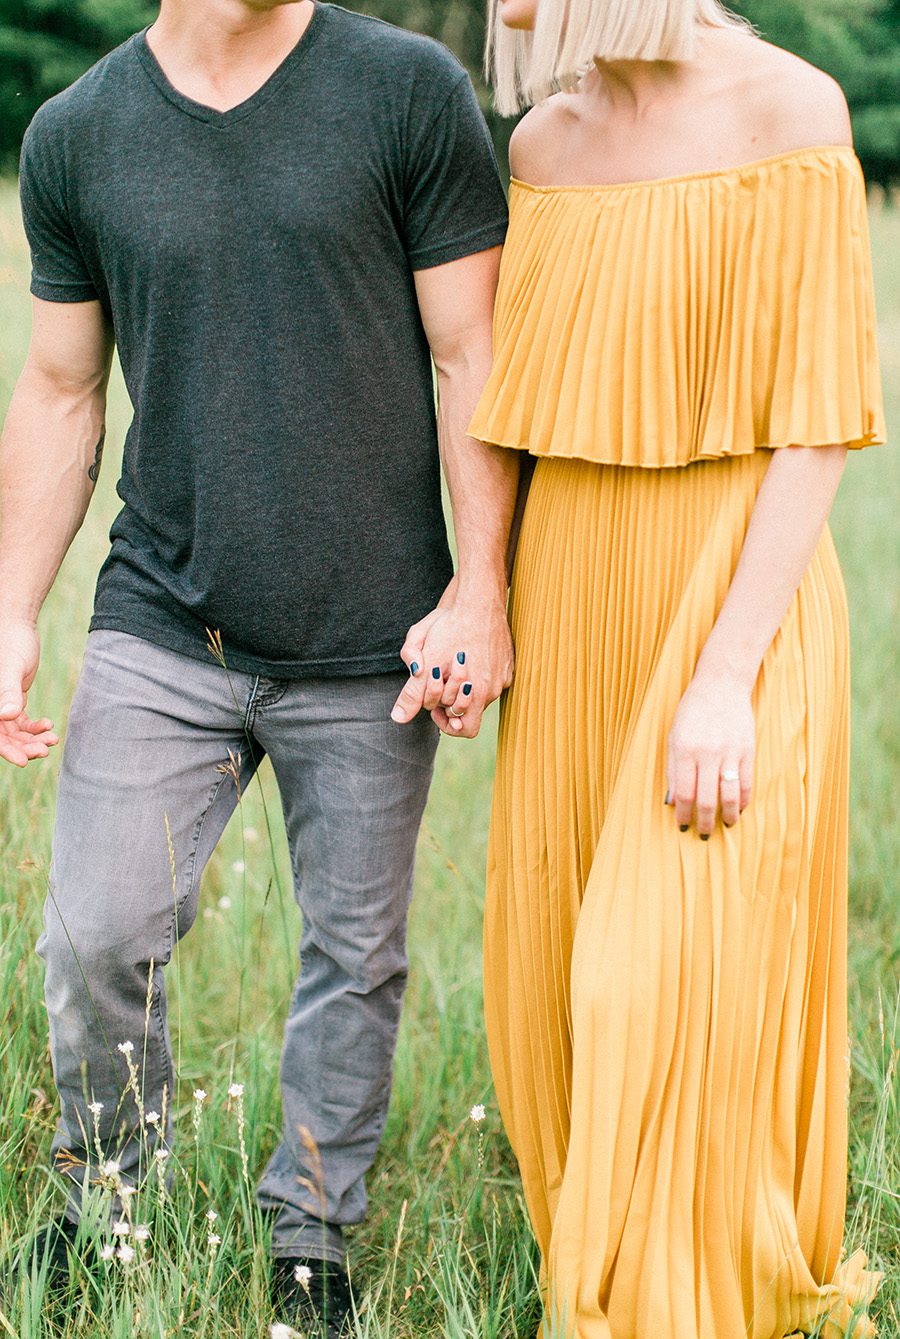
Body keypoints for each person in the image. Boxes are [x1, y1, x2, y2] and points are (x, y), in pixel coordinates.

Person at [0, 0, 518, 1330]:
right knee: (98, 935)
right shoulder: (78, 134)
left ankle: (313, 1241)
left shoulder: (409, 92)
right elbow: (62, 388)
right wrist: (12, 610)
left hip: (374, 638)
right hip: (165, 618)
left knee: (355, 958)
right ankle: (111, 1199)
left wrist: (480, 584)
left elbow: (474, 354)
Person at [467, 0, 887, 1334]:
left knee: (663, 973)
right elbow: (507, 408)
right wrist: (480, 603)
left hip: (731, 601)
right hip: (575, 596)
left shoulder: (792, 112)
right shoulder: (545, 146)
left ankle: (675, 1306)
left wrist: (725, 677)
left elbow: (816, 425)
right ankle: (599, 1268)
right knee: (558, 985)